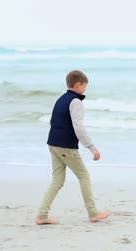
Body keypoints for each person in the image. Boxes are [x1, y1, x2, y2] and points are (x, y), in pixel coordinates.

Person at [36, 70, 111, 224]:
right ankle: (93, 212)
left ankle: (42, 215)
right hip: (66, 147)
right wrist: (91, 147)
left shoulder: (61, 99)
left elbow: (54, 121)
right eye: (84, 86)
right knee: (84, 176)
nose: (84, 90)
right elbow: (79, 127)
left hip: (53, 144)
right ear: (78, 84)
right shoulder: (75, 101)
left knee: (57, 180)